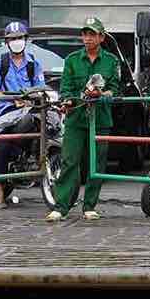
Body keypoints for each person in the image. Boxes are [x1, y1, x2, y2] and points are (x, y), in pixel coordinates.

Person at [47, 17, 121, 223]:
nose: (87, 38)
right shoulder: (71, 60)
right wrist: (68, 101)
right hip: (76, 119)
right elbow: (66, 89)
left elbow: (115, 89)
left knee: (96, 163)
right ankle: (61, 207)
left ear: (101, 37)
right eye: (85, 34)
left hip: (101, 119)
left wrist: (103, 94)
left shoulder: (111, 61)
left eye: (92, 34)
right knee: (69, 161)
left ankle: (89, 206)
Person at [0, 20, 46, 210]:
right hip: (6, 113)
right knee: (3, 145)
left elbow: (40, 87)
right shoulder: (0, 62)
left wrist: (32, 97)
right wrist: (12, 99)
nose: (16, 41)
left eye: (19, 38)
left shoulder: (34, 64)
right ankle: (0, 196)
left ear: (25, 40)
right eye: (12, 39)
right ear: (6, 42)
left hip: (29, 111)